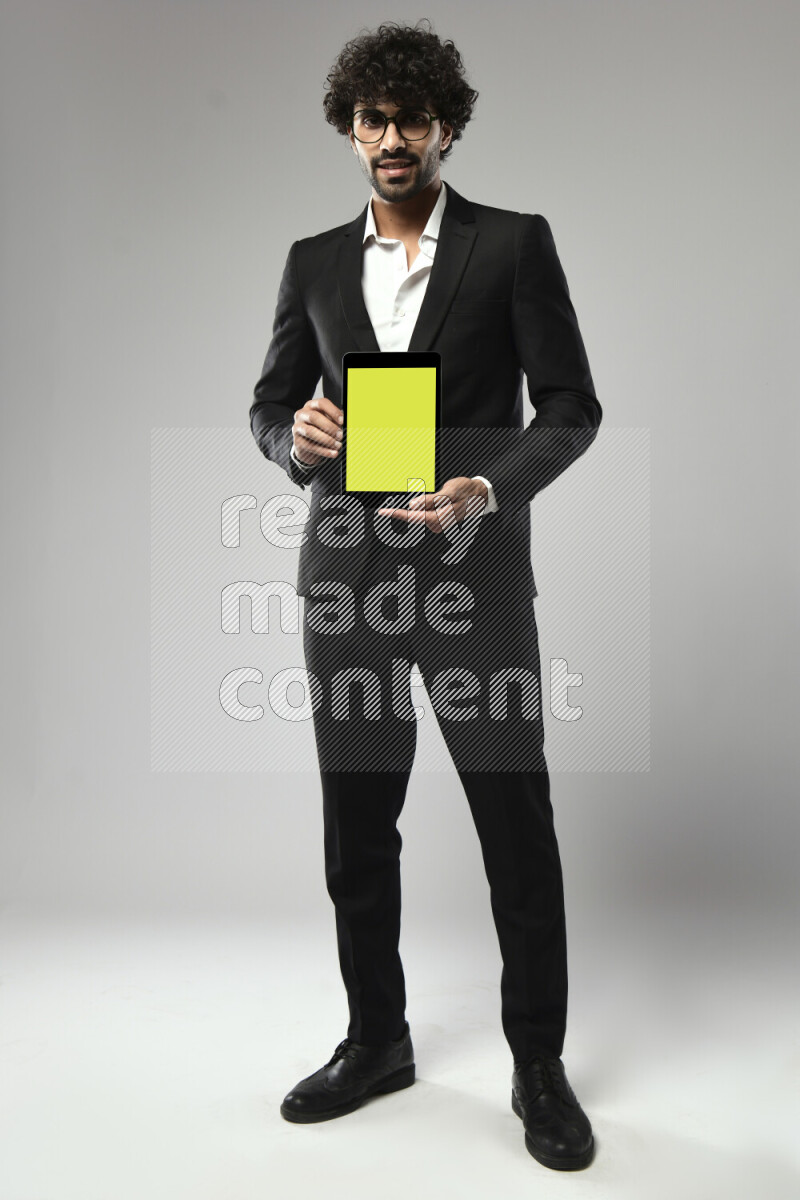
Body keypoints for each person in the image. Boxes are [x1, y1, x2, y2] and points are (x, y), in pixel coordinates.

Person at [249, 19, 602, 1171]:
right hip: (346, 581)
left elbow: (569, 407)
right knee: (357, 828)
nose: (391, 139)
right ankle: (376, 1042)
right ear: (350, 130)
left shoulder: (512, 244)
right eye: (372, 121)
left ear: (445, 126)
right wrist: (290, 438)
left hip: (471, 578)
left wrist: (486, 489)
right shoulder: (311, 260)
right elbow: (270, 404)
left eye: (411, 119)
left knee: (513, 826)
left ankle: (537, 1064)